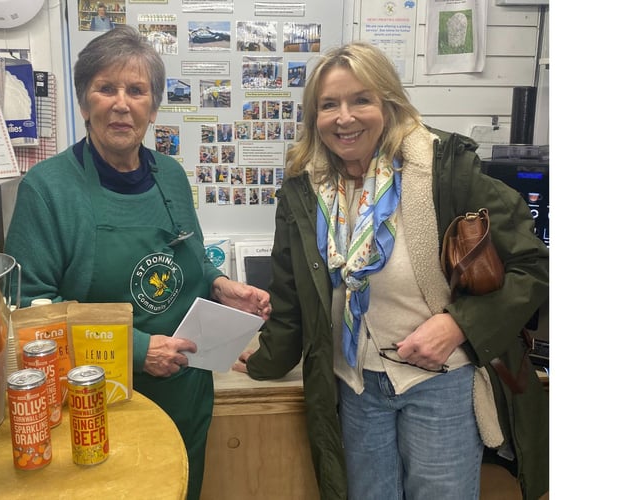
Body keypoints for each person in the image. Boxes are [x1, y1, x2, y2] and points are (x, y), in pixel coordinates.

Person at [233, 41, 549, 500]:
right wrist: (266, 360)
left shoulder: (443, 169)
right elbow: (291, 296)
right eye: (329, 105)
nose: (344, 118)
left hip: (440, 382)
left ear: (389, 102)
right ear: (314, 116)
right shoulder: (305, 189)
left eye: (361, 99)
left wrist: (458, 325)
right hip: (356, 387)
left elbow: (531, 265)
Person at [4, 26, 271, 500]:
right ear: (84, 103)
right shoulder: (47, 189)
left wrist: (219, 284)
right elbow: (31, 313)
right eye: (106, 88)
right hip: (99, 404)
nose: (121, 104)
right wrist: (136, 348)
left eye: (137, 90)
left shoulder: (171, 175)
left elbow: (188, 258)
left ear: (153, 106)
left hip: (187, 390)